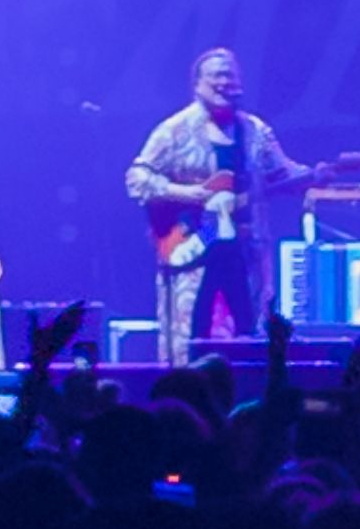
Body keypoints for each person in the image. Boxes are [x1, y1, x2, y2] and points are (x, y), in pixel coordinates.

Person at [126, 49, 318, 365]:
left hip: (244, 250)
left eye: (230, 75)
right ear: (197, 84)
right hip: (194, 245)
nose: (224, 82)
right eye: (216, 75)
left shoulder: (255, 131)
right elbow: (137, 178)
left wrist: (317, 175)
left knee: (250, 336)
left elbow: (283, 172)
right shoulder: (175, 130)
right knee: (190, 338)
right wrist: (190, 194)